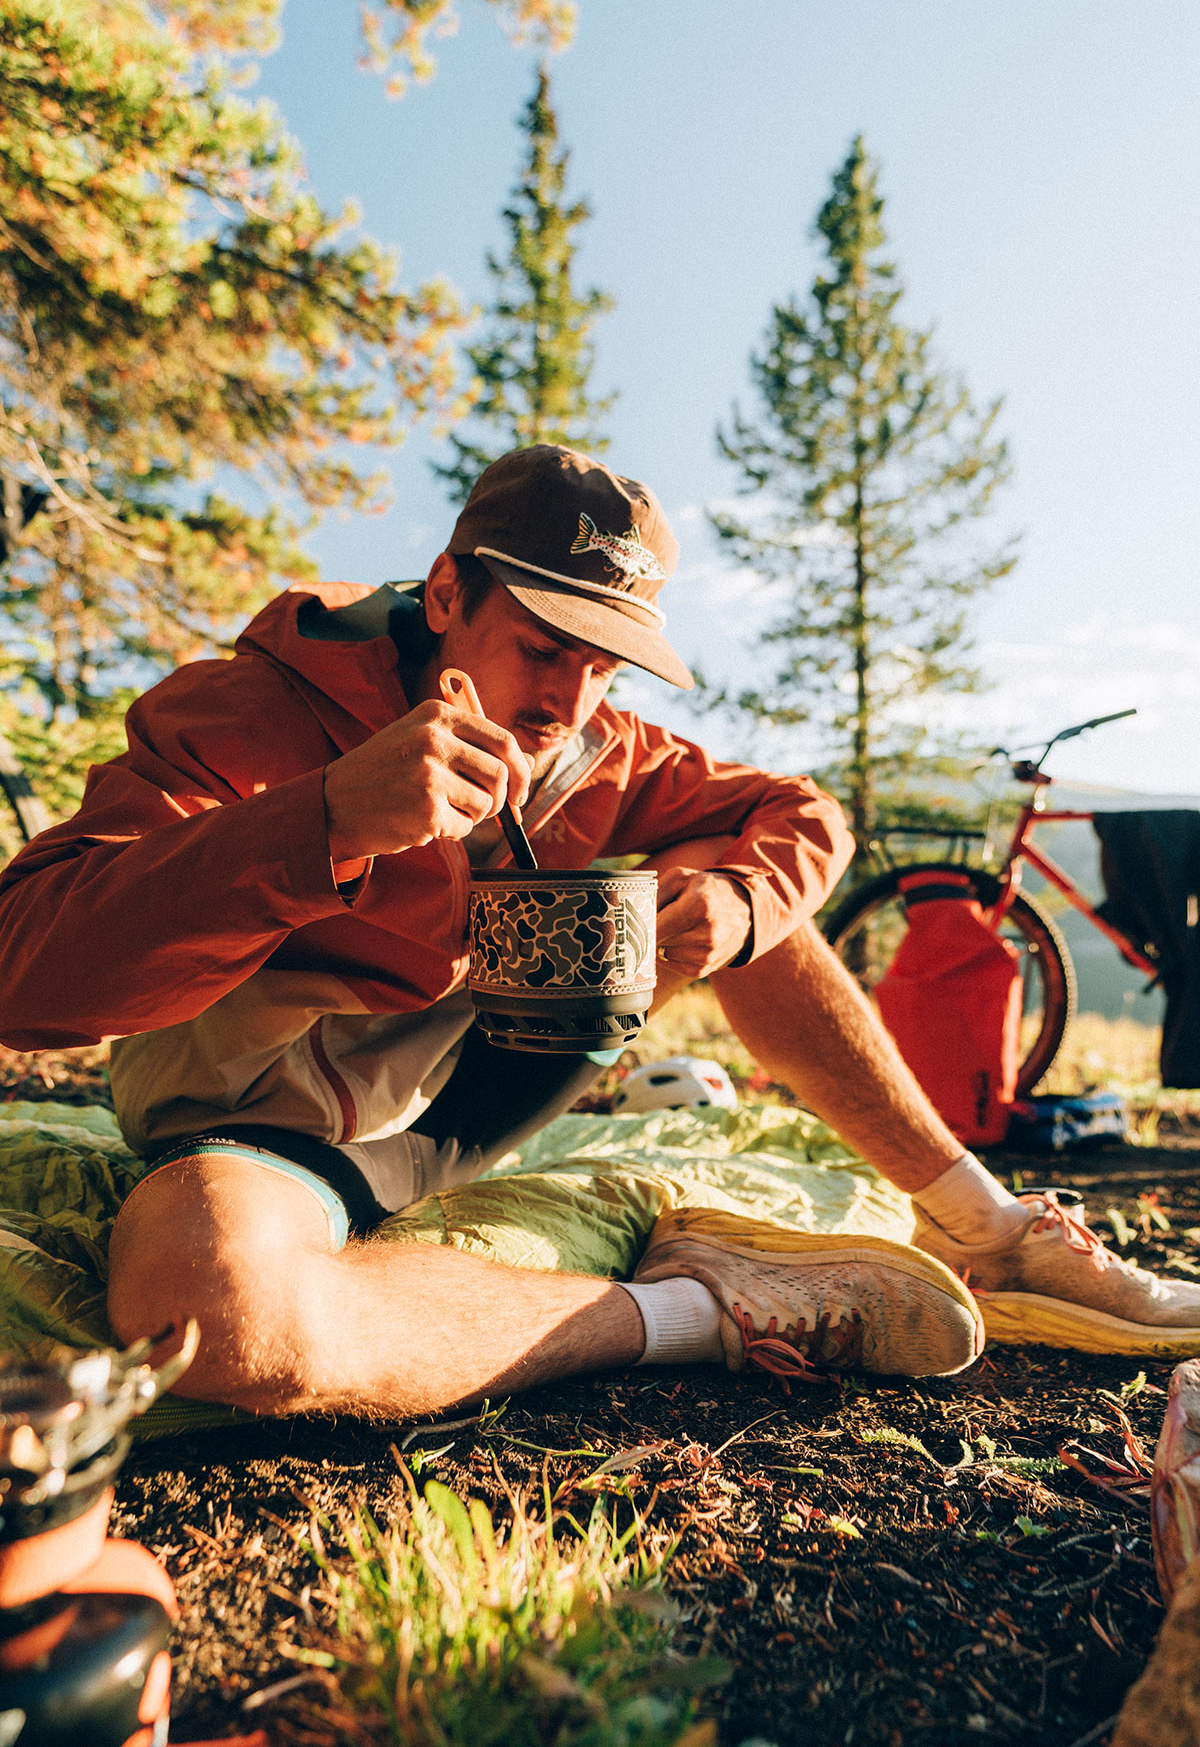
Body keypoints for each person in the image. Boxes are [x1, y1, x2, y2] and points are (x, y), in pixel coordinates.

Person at [0, 445, 1196, 1420]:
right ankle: (698, 1311)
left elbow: (800, 814)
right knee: (213, 1319)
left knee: (732, 880)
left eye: (608, 665)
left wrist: (733, 909)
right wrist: (319, 823)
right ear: (450, 592)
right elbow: (25, 972)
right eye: (544, 647)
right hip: (266, 1118)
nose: (571, 701)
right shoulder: (251, 711)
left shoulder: (599, 748)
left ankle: (990, 1228)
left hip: (492, 1091)